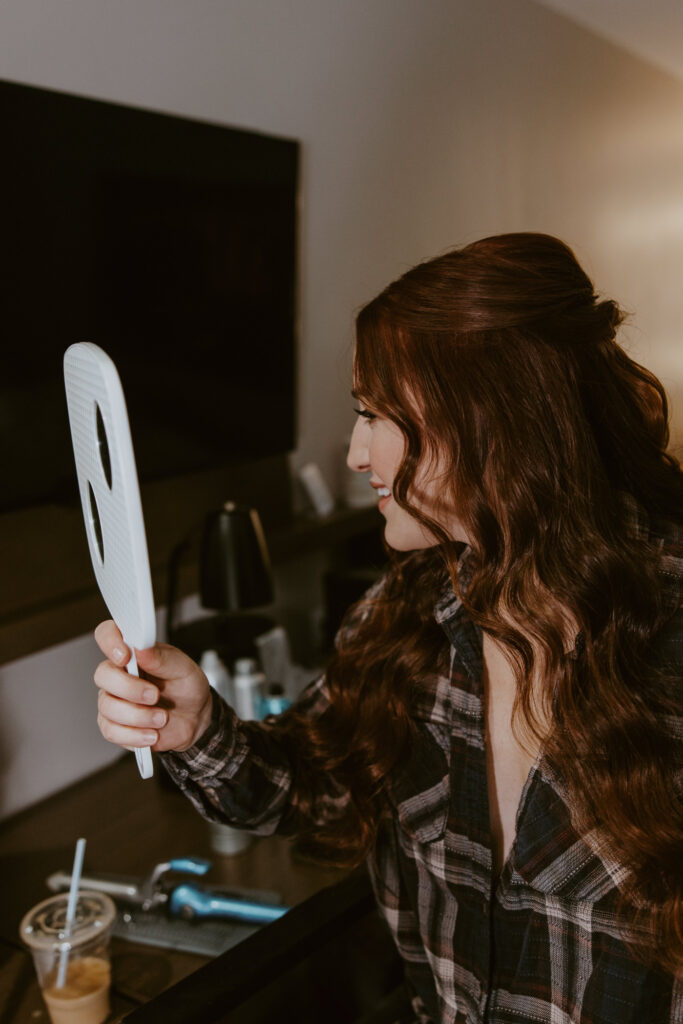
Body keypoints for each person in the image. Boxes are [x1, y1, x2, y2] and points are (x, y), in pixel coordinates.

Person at [94, 233, 682, 1023]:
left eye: (377, 414)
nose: (354, 450)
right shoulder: (405, 618)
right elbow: (323, 790)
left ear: (496, 420)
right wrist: (197, 728)